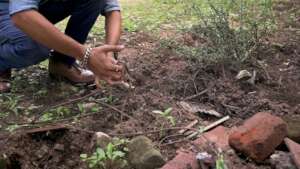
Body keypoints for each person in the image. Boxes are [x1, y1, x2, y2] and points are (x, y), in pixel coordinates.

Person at [0, 0, 124, 93]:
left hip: (33, 7)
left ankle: (62, 63)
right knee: (37, 46)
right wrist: (85, 54)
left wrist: (109, 55)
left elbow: (112, 10)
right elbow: (21, 14)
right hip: (7, 7)